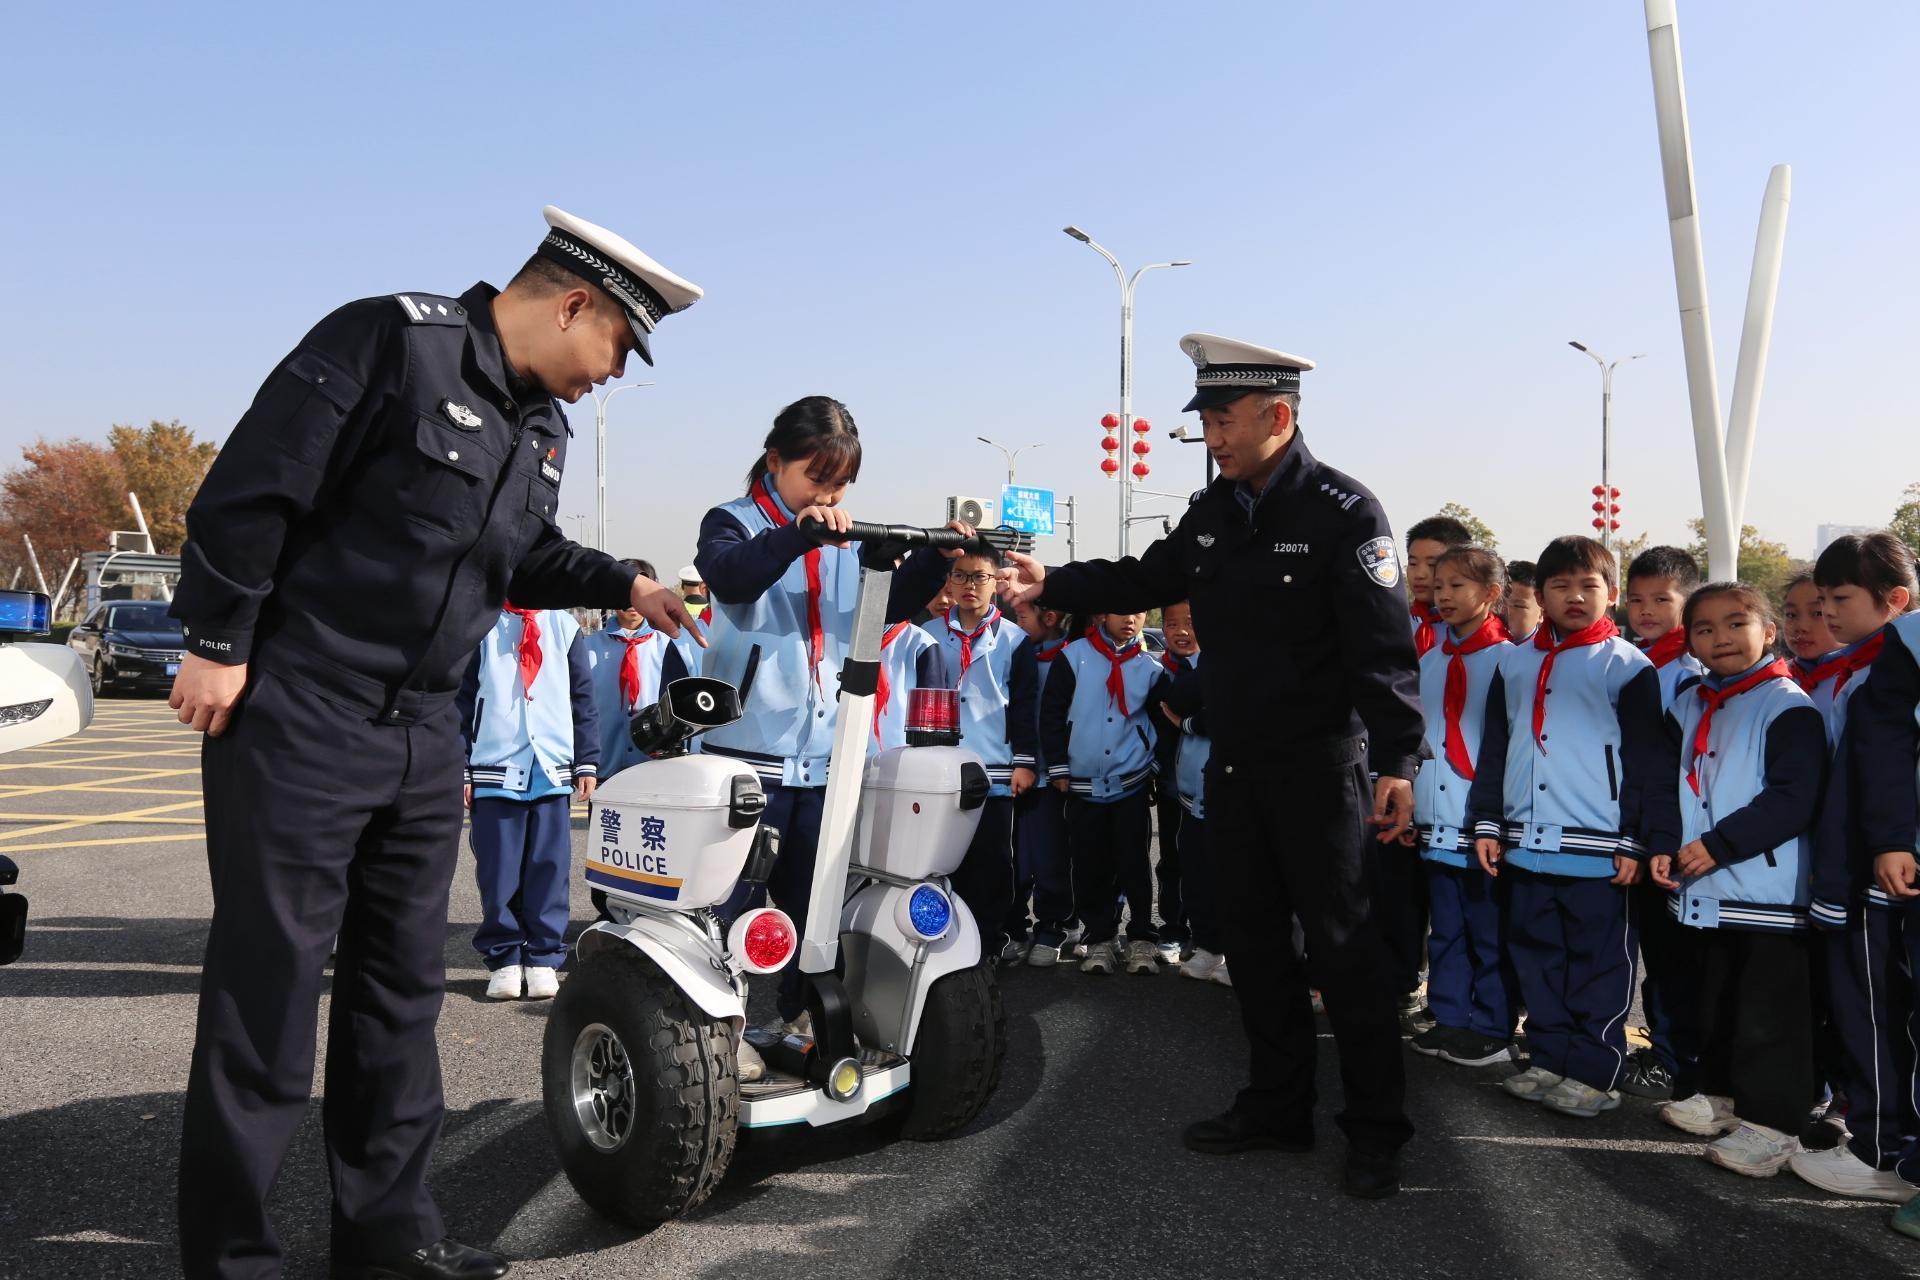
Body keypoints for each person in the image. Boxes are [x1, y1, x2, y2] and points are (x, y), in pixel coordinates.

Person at [168, 205, 704, 1280]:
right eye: (617, 346)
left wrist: (626, 582)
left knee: (400, 996)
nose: (613, 373)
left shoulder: (540, 425)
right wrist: (217, 640)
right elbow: (253, 487)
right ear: (574, 303)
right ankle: (232, 1258)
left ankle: (389, 1239)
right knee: (268, 995)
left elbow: (522, 555)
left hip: (424, 730)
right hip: (305, 711)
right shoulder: (392, 342)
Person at [1005, 333, 1422, 1200]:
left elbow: (1382, 647)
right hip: (1236, 768)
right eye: (1207, 422)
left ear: (1278, 417)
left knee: (1344, 952)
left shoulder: (1345, 513)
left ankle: (1377, 1129)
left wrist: (1397, 760)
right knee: (1256, 947)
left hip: (1320, 772)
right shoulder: (1213, 512)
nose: (1213, 437)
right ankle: (1277, 1105)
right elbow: (1140, 578)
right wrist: (1055, 582)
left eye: (1225, 420)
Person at [673, 395, 960, 1034]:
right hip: (745, 762)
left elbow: (884, 607)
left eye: (841, 483)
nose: (828, 496)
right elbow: (731, 578)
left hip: (829, 763)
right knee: (729, 908)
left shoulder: (842, 538)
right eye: (817, 477)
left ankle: (800, 1023)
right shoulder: (730, 521)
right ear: (775, 460)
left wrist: (937, 559)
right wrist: (794, 535)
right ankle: (718, 1034)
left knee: (820, 909)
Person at [1470, 535, 1672, 1120]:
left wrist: (1635, 839)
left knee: (1599, 967)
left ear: (1612, 594)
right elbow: (1495, 748)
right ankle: (1548, 1058)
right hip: (1525, 845)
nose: (1575, 597)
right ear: (1539, 594)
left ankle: (1594, 1071)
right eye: (1560, 586)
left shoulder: (1627, 666)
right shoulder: (1513, 661)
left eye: (1589, 586)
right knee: (1537, 959)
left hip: (1599, 848)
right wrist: (1488, 821)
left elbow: (1646, 762)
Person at [1644, 582, 1824, 1177]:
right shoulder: (1688, 704)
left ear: (1768, 632)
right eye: (1704, 628)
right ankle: (1720, 1095)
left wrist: (1720, 846)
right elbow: (1663, 784)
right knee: (1715, 1001)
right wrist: (1663, 843)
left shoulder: (1788, 705)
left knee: (1769, 1016)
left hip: (1766, 891)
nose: (1720, 637)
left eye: (1736, 623)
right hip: (1704, 886)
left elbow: (1793, 798)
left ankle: (1774, 1126)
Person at [1788, 532, 1920, 1201]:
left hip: (1881, 874)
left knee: (1878, 1014)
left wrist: (1887, 843)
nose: (1826, 613)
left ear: (1894, 599)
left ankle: (1882, 1151)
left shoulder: (1892, 659)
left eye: (1839, 599)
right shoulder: (1854, 668)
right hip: (1868, 866)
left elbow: (1880, 767)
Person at [1835, 548, 1920, 1235]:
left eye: (1839, 599)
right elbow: (1886, 748)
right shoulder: (1908, 644)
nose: (1826, 614)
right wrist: (1894, 838)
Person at [1407, 545, 1515, 1067]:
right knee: (1446, 928)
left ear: (1491, 594)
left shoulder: (1512, 661)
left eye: (1457, 586)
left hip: (1484, 821)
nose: (1443, 595)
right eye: (1438, 586)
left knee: (1488, 930)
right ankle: (1450, 1016)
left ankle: (1492, 1026)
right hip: (1436, 818)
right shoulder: (1428, 660)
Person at [459, 603, 598, 1001]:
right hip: (495, 764)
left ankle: (542, 957)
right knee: (498, 871)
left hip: (551, 765)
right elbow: (460, 700)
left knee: (549, 869)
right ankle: (504, 957)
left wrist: (587, 760)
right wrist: (461, 766)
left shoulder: (564, 625)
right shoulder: (481, 623)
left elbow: (582, 697)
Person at [1619, 545, 1707, 1103]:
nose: (1646, 610)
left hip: (1674, 836)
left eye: (1661, 599)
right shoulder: (1635, 662)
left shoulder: (1690, 674)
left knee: (1676, 960)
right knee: (1656, 950)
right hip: (1644, 827)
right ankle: (1667, 1053)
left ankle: (1675, 1062)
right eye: (1636, 600)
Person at [922, 543, 1035, 961]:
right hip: (939, 767)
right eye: (960, 576)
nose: (970, 585)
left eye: (980, 577)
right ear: (949, 582)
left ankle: (988, 943)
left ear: (996, 582)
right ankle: (942, 941)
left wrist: (1024, 762)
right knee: (939, 860)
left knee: (992, 860)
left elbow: (1024, 705)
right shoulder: (928, 635)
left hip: (995, 768)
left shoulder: (1015, 639)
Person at [1040, 610, 1164, 974]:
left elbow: (1161, 721)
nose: (1131, 619)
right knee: (1089, 864)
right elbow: (1052, 713)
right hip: (1082, 783)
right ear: (1101, 616)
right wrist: (1058, 765)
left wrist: (1154, 765)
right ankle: (1100, 938)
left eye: (1139, 613)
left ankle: (1141, 937)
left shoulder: (1149, 667)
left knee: (1134, 863)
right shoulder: (1073, 656)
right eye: (1121, 612)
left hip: (1131, 781)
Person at [1386, 514, 1472, 1030]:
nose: (1421, 575)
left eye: (1434, 564)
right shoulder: (1395, 622)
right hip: (1398, 782)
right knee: (1397, 894)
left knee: (1454, 908)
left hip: (1454, 795)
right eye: (1413, 562)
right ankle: (1400, 983)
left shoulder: (1480, 640)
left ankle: (1460, 1005)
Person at [1154, 602, 1228, 985]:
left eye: (1192, 622)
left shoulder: (1233, 658)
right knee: (1194, 872)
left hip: (1232, 791)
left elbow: (1229, 714)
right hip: (1190, 792)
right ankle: (1208, 945)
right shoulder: (1185, 666)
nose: (1183, 631)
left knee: (1236, 878)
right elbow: (1176, 701)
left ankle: (1237, 951)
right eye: (1172, 624)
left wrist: (1190, 723)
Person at [1008, 600, 1078, 966]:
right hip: (1015, 774)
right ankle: (1014, 929)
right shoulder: (1017, 654)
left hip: (1053, 777)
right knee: (1016, 860)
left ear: (1049, 618)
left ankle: (1053, 929)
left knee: (1052, 859)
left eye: (1022, 617)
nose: (1016, 624)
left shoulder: (1071, 658)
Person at [582, 558, 670, 780]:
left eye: (642, 592)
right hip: (603, 765)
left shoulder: (668, 647)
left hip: (655, 768)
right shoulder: (588, 647)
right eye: (626, 591)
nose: (633, 601)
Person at [1502, 559, 1543, 644]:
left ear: (1541, 614)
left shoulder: (1547, 651)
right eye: (1500, 602)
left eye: (1518, 606)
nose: (1505, 611)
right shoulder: (1480, 646)